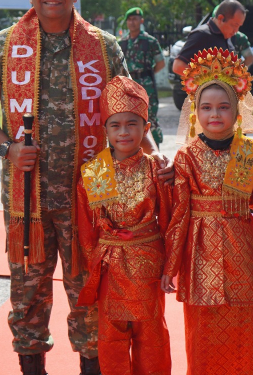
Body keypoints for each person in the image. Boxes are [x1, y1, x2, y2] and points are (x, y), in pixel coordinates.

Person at [0, 0, 172, 375]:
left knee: (91, 292)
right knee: (28, 296)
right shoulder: (3, 45)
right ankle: (32, 367)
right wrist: (6, 148)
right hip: (29, 199)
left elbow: (128, 112)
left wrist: (153, 156)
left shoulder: (103, 45)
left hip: (93, 197)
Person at [162, 47, 253, 375]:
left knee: (242, 329)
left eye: (224, 107)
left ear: (238, 110)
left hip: (241, 251)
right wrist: (170, 265)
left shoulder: (249, 152)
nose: (215, 114)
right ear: (195, 111)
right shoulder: (186, 156)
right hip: (199, 255)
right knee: (202, 331)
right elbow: (179, 213)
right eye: (207, 107)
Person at [75, 76, 173, 375]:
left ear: (146, 128)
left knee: (152, 334)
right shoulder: (95, 171)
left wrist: (170, 266)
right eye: (115, 125)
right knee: (112, 337)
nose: (124, 132)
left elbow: (170, 220)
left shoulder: (157, 168)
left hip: (148, 265)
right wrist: (96, 265)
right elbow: (87, 230)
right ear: (104, 130)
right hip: (110, 268)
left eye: (132, 124)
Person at [118, 7, 166, 146]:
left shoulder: (150, 41)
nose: (132, 22)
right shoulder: (122, 43)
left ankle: (155, 154)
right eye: (129, 20)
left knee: (149, 118)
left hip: (146, 86)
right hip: (128, 86)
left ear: (141, 21)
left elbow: (161, 63)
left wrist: (147, 75)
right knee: (130, 119)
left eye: (135, 19)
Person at [171, 0, 247, 76]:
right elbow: (178, 66)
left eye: (239, 26)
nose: (236, 31)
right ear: (221, 18)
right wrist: (209, 79)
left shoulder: (226, 37)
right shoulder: (201, 35)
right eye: (234, 25)